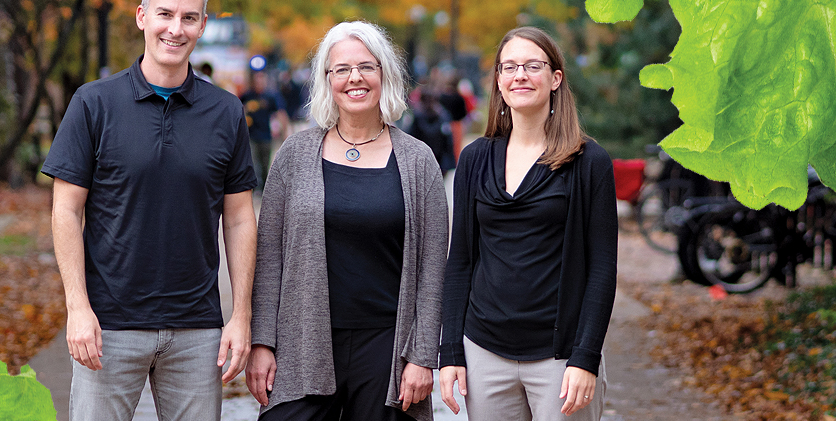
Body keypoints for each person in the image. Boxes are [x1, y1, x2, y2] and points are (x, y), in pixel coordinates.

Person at [42, 0, 258, 421]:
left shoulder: (225, 112)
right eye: (165, 14)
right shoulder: (94, 103)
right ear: (142, 16)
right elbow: (65, 210)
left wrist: (240, 316)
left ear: (202, 24)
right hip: (108, 326)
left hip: (198, 331)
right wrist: (77, 308)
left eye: (188, 17)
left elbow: (240, 218)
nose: (175, 29)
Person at [246, 21, 449, 421]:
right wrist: (262, 343)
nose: (354, 78)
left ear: (384, 74)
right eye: (341, 69)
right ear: (327, 80)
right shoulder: (295, 154)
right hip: (303, 341)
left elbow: (432, 270)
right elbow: (269, 258)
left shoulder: (418, 161)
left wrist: (423, 356)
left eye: (366, 67)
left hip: (387, 348)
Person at [439, 26, 617, 420]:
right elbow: (461, 261)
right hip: (484, 352)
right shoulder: (475, 158)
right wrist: (450, 351)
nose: (520, 75)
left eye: (532, 65)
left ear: (555, 79)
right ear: (499, 82)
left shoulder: (589, 162)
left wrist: (585, 358)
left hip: (560, 357)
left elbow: (602, 269)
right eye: (509, 67)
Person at [240, 70, 288, 190]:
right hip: (251, 135)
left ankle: (264, 188)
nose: (259, 83)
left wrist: (285, 132)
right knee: (253, 162)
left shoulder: (270, 96)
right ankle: (255, 188)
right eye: (257, 80)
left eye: (262, 80)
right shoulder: (247, 95)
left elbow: (280, 113)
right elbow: (238, 111)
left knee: (265, 163)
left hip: (266, 135)